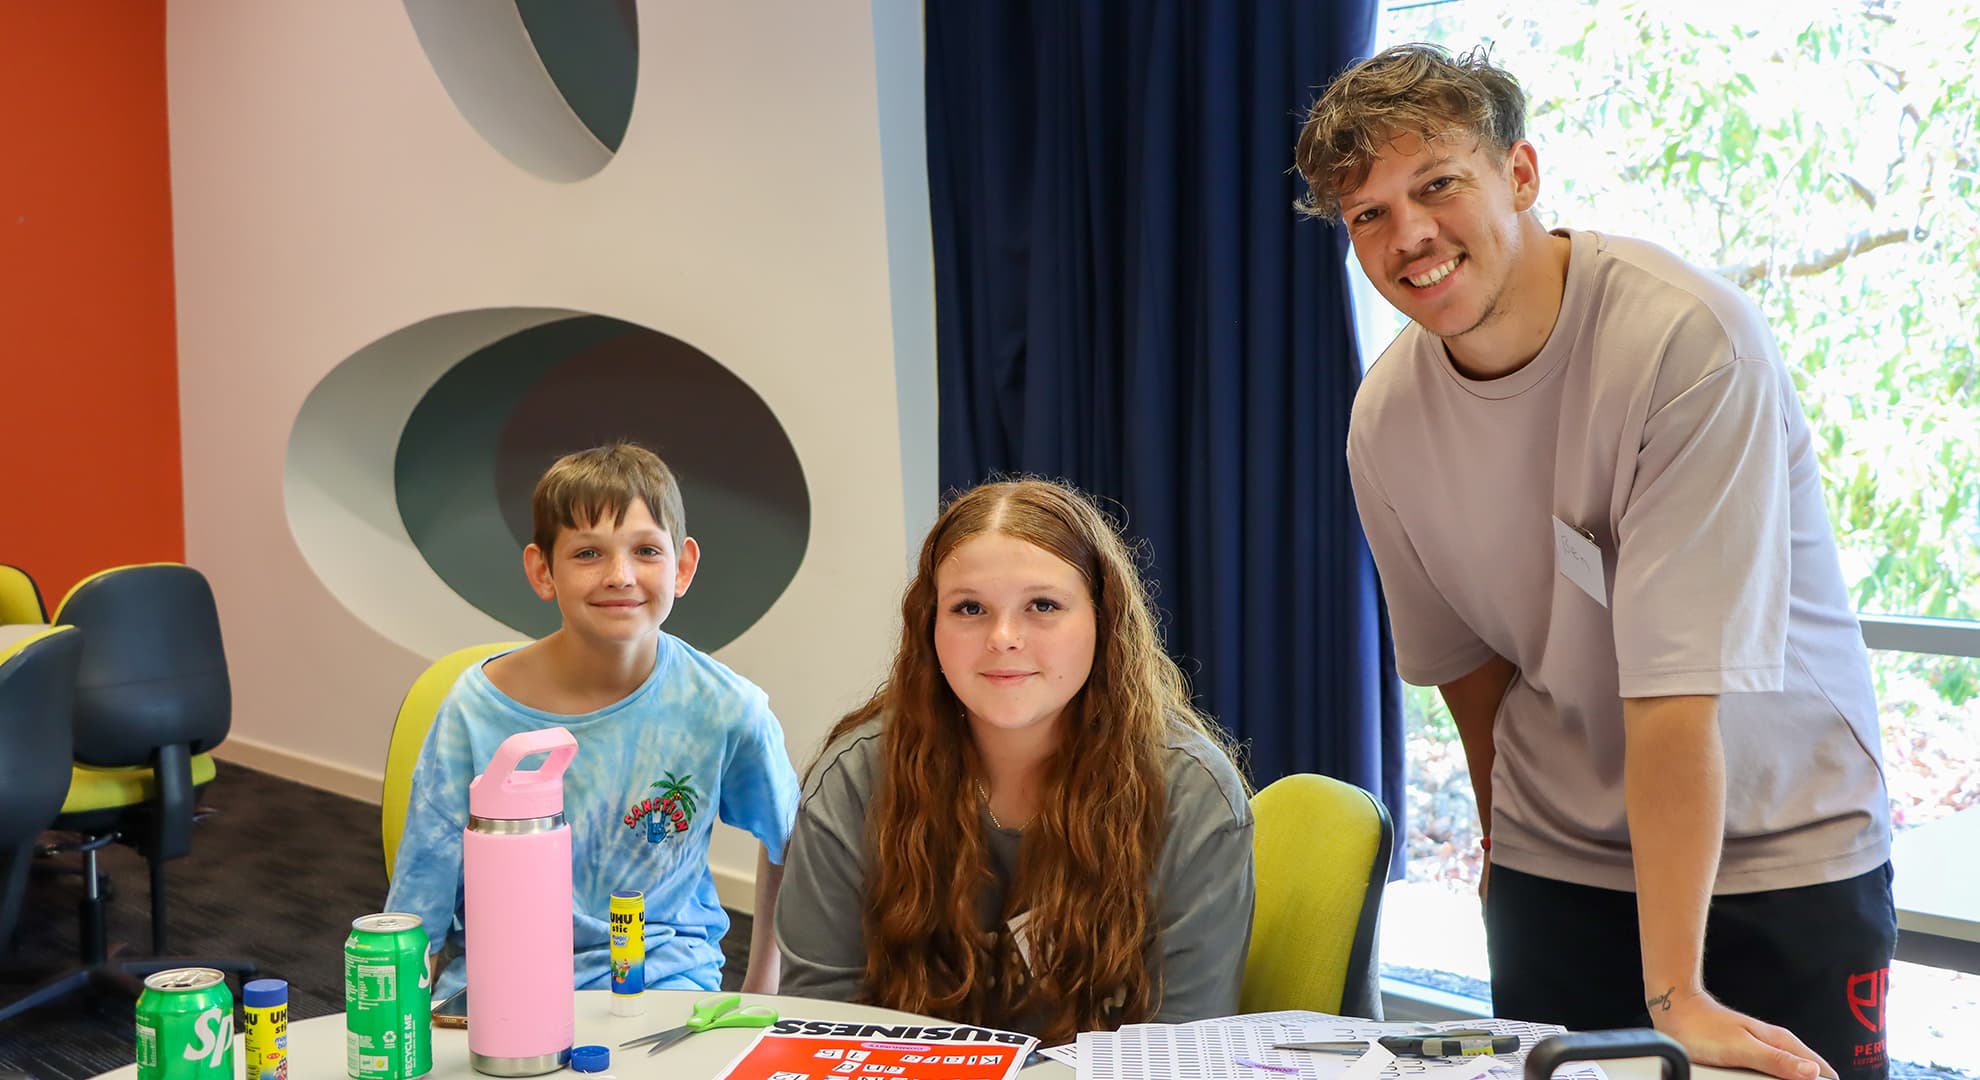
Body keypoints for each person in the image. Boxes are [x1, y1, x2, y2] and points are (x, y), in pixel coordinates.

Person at [1297, 41, 1896, 1080]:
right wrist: (1500, 845)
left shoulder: (1684, 343)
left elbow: (1674, 697)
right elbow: (1469, 669)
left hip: (1776, 848)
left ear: (1521, 175)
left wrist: (1676, 996)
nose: (1412, 236)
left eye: (1438, 185)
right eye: (1371, 215)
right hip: (1557, 862)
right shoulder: (1385, 420)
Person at [775, 478, 1253, 1045]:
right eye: (969, 608)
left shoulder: (1194, 795)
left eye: (1043, 605)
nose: (1003, 638)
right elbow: (821, 1030)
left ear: (1103, 620)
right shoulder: (854, 780)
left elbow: (1182, 1050)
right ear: (930, 627)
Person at [386, 442, 799, 1001]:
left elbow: (789, 843)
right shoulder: (474, 711)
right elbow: (422, 898)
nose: (620, 576)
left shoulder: (729, 709)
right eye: (587, 554)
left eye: (647, 551)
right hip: (504, 984)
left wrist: (762, 987)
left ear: (683, 567)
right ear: (542, 570)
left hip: (665, 981)